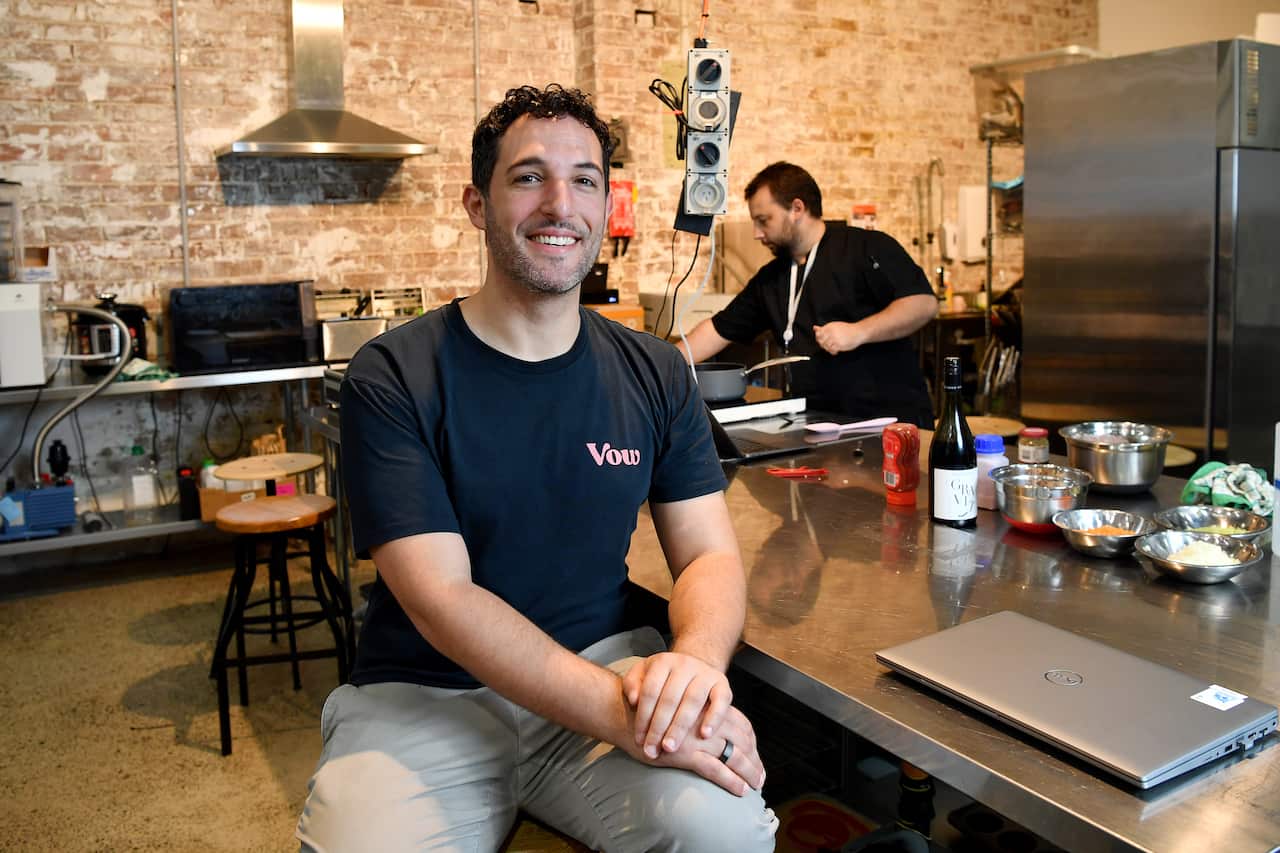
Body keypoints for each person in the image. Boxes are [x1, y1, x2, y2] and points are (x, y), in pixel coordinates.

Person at [296, 84, 778, 852]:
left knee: (725, 831)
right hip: (427, 693)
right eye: (528, 177)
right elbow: (444, 599)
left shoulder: (654, 371)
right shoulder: (395, 374)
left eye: (585, 179)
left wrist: (691, 670)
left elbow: (710, 555)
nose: (561, 203)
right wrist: (628, 712)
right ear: (476, 204)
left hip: (606, 666)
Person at [679, 162, 938, 427]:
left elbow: (923, 303)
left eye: (763, 221)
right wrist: (659, 365)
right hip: (820, 427)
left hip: (889, 425)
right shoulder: (771, 278)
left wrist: (858, 332)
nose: (757, 234)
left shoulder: (865, 247)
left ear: (797, 209)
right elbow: (718, 329)